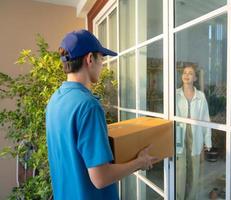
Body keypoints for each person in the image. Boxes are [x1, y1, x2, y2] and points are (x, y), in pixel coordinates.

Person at [46, 29, 157, 200]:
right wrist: (140, 162)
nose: (102, 65)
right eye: (102, 59)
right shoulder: (88, 106)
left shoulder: (55, 99)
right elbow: (101, 178)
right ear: (90, 59)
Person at [176, 64, 212, 200]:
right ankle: (178, 197)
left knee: (194, 168)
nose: (186, 75)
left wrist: (207, 140)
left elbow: (205, 119)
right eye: (184, 72)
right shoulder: (175, 94)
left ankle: (191, 197)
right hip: (179, 133)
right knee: (180, 169)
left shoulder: (201, 96)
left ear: (195, 78)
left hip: (195, 134)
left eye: (190, 73)